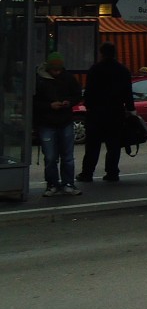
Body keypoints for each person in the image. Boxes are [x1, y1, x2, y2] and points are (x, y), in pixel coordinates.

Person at [79, 42, 134, 183]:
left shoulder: (95, 69)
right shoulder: (123, 70)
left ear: (101, 53)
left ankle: (87, 173)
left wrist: (89, 106)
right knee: (114, 145)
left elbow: (89, 91)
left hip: (96, 113)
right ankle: (112, 173)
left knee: (92, 146)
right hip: (115, 112)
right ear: (115, 53)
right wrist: (130, 109)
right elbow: (128, 94)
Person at [32, 51, 83, 197]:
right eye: (55, 69)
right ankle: (57, 183)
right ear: (49, 68)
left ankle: (61, 184)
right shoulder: (43, 80)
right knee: (53, 157)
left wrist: (69, 102)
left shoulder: (61, 78)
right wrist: (52, 105)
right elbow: (34, 102)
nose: (57, 72)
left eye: (59, 69)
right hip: (51, 121)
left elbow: (77, 95)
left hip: (59, 120)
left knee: (60, 156)